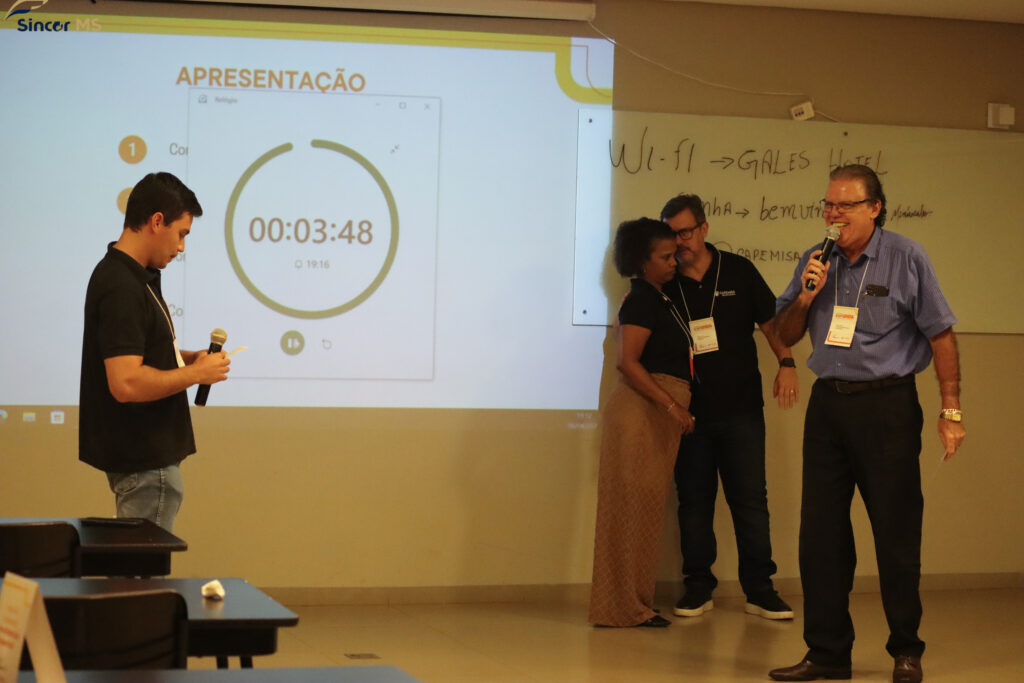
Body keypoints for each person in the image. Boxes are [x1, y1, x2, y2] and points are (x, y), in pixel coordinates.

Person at [768, 165, 965, 683]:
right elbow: (785, 331)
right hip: (828, 408)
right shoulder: (816, 260)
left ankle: (906, 650)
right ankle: (828, 653)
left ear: (875, 208)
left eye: (846, 205)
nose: (833, 215)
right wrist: (806, 295)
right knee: (821, 536)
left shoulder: (906, 257)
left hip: (887, 408)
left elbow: (941, 335)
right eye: (828, 205)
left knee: (896, 533)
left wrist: (950, 409)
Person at [658, 194, 798, 621]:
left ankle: (760, 589)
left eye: (685, 232)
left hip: (742, 411)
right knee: (694, 503)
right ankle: (698, 586)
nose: (679, 241)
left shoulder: (738, 269)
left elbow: (771, 324)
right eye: (671, 234)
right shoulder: (666, 281)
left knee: (750, 501)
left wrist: (787, 363)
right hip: (690, 414)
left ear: (703, 228)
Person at [79, 172, 230, 532]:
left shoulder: (133, 276)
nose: (181, 247)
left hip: (147, 465)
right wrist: (196, 375)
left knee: (135, 565)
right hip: (146, 464)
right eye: (182, 234)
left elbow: (137, 354)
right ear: (157, 221)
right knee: (139, 567)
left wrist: (188, 359)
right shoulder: (121, 284)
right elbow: (126, 382)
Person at [589, 218, 696, 628]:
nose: (674, 263)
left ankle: (635, 604)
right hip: (641, 413)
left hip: (653, 415)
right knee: (629, 511)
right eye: (665, 257)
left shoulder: (659, 297)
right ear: (641, 260)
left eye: (674, 255)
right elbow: (628, 363)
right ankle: (622, 607)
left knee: (644, 510)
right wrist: (671, 406)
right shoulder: (641, 300)